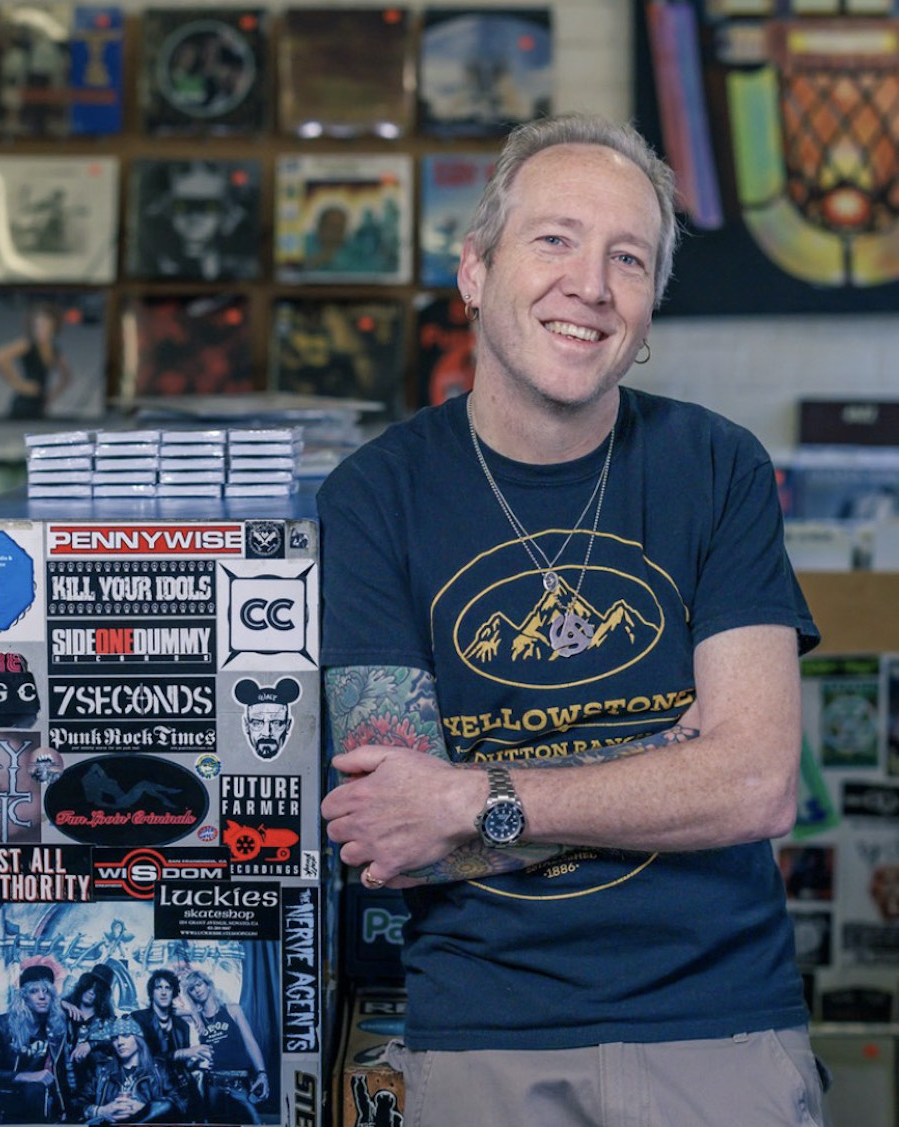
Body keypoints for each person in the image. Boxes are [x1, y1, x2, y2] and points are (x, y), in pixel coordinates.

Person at [318, 112, 829, 1126]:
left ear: (646, 313)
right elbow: (400, 832)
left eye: (627, 258)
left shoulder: (717, 468)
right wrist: (674, 759)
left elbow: (759, 784)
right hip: (485, 1029)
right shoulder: (376, 493)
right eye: (555, 239)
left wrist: (474, 791)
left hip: (720, 1023)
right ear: (474, 270)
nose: (590, 284)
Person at [0, 962, 71, 1123]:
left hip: (42, 1103)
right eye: (34, 991)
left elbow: (65, 1073)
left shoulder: (56, 1028)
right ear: (23, 996)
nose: (42, 996)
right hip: (6, 1101)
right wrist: (26, 1076)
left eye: (47, 991)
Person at [181, 968, 268, 1124]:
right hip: (213, 1086)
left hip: (239, 1084)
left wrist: (262, 1073)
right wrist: (192, 1013)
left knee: (254, 1122)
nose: (197, 990)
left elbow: (250, 1041)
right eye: (191, 989)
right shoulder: (197, 1019)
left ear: (208, 985)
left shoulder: (232, 1009)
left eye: (199, 984)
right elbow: (163, 1009)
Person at [128, 969, 209, 1115]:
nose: (163, 992)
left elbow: (182, 1063)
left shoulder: (181, 1026)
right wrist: (183, 1053)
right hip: (149, 1089)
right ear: (152, 992)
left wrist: (195, 1063)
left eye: (168, 988)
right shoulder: (139, 1019)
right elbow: (144, 1059)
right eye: (159, 987)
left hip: (181, 1089)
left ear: (174, 992)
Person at [76, 1015, 179, 1124]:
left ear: (138, 1038)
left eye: (126, 1035)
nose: (120, 1042)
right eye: (115, 1038)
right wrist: (101, 1111)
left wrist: (146, 1110)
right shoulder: (102, 1071)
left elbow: (179, 1104)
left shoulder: (159, 1069)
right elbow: (77, 1104)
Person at [0, 302, 74, 420]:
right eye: (38, 326)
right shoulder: (27, 344)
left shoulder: (54, 349)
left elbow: (66, 376)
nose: (41, 330)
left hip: (41, 404)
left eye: (45, 325)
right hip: (23, 404)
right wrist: (19, 384)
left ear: (53, 327)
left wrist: (53, 395)